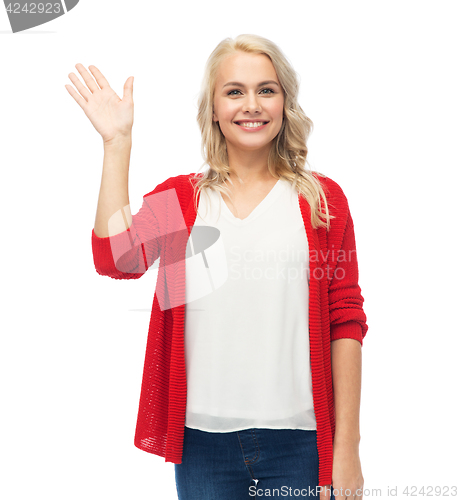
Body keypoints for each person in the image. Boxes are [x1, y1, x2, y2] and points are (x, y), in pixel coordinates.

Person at [65, 34, 367, 500]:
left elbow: (345, 322)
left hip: (301, 444)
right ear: (213, 109)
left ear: (285, 103)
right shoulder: (184, 199)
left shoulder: (321, 202)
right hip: (202, 446)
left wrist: (346, 448)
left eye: (266, 89)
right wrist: (117, 144)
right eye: (234, 91)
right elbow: (116, 258)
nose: (252, 104)